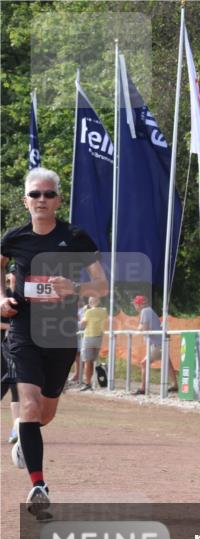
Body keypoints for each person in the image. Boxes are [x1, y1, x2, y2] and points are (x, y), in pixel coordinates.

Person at [1, 167, 108, 516]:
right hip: (23, 332)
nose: (41, 200)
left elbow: (102, 287)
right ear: (25, 200)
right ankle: (39, 485)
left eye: (48, 194)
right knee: (29, 406)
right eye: (35, 194)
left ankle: (24, 432)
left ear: (59, 200)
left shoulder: (76, 237)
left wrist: (75, 288)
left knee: (43, 415)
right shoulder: (14, 238)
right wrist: (2, 298)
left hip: (61, 336)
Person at [134, 295, 178, 394]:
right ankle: (174, 385)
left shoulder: (145, 311)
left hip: (157, 344)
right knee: (167, 363)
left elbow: (145, 328)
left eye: (135, 304)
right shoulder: (148, 310)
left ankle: (143, 388)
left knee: (144, 363)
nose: (135, 307)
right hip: (159, 342)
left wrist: (138, 331)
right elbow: (143, 326)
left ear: (140, 304)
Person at [1, 273, 20, 446]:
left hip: (17, 347)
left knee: (16, 386)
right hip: (3, 347)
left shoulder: (23, 296)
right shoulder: (3, 295)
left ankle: (17, 428)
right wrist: (13, 325)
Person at [78, 295, 108, 391]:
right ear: (98, 301)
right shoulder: (104, 311)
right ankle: (102, 373)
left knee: (88, 361)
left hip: (89, 337)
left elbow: (82, 325)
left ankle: (87, 383)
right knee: (96, 360)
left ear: (90, 303)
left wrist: (83, 313)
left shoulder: (88, 312)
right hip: (100, 337)